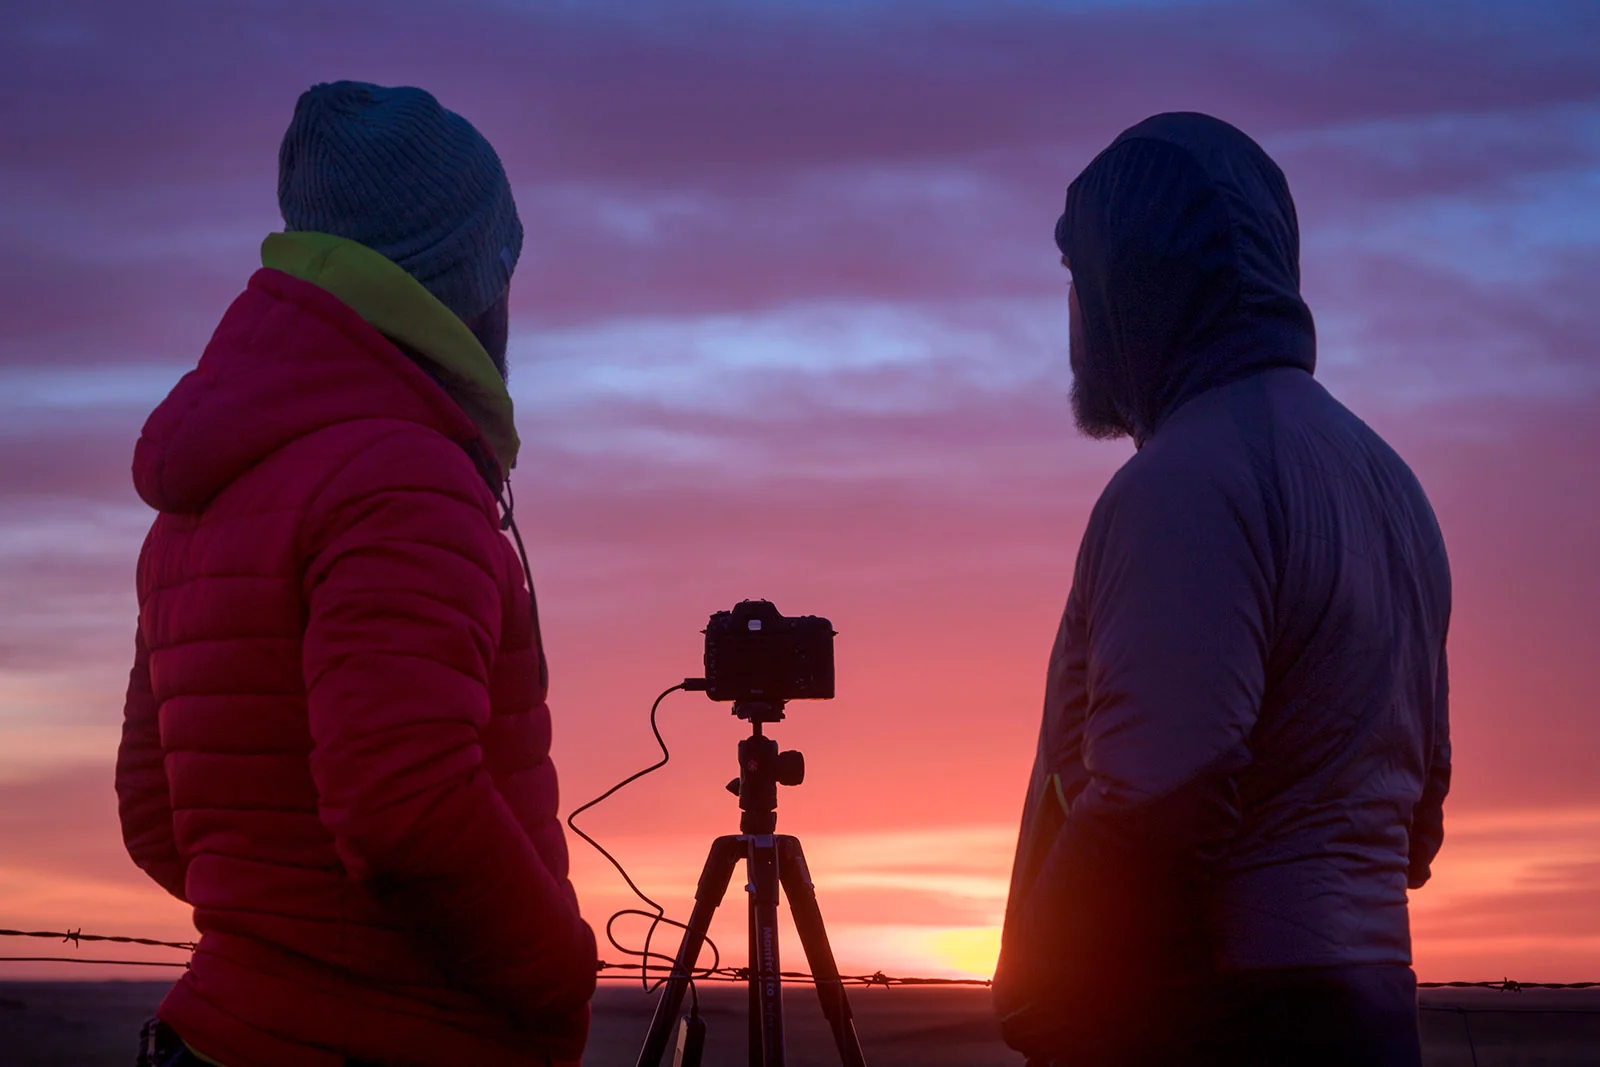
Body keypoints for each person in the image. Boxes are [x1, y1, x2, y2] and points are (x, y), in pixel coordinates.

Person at [117, 82, 596, 1067]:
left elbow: (156, 815)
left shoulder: (207, 486)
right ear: (465, 268)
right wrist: (556, 981)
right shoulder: (400, 479)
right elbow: (407, 813)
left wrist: (289, 939)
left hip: (219, 1031)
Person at [991, 112, 1451, 1067]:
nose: (1072, 320)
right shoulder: (1390, 482)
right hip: (1373, 1008)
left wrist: (1041, 982)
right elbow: (1417, 816)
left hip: (1226, 1019)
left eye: (1081, 284)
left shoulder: (1186, 482)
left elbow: (1163, 794)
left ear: (1135, 287)